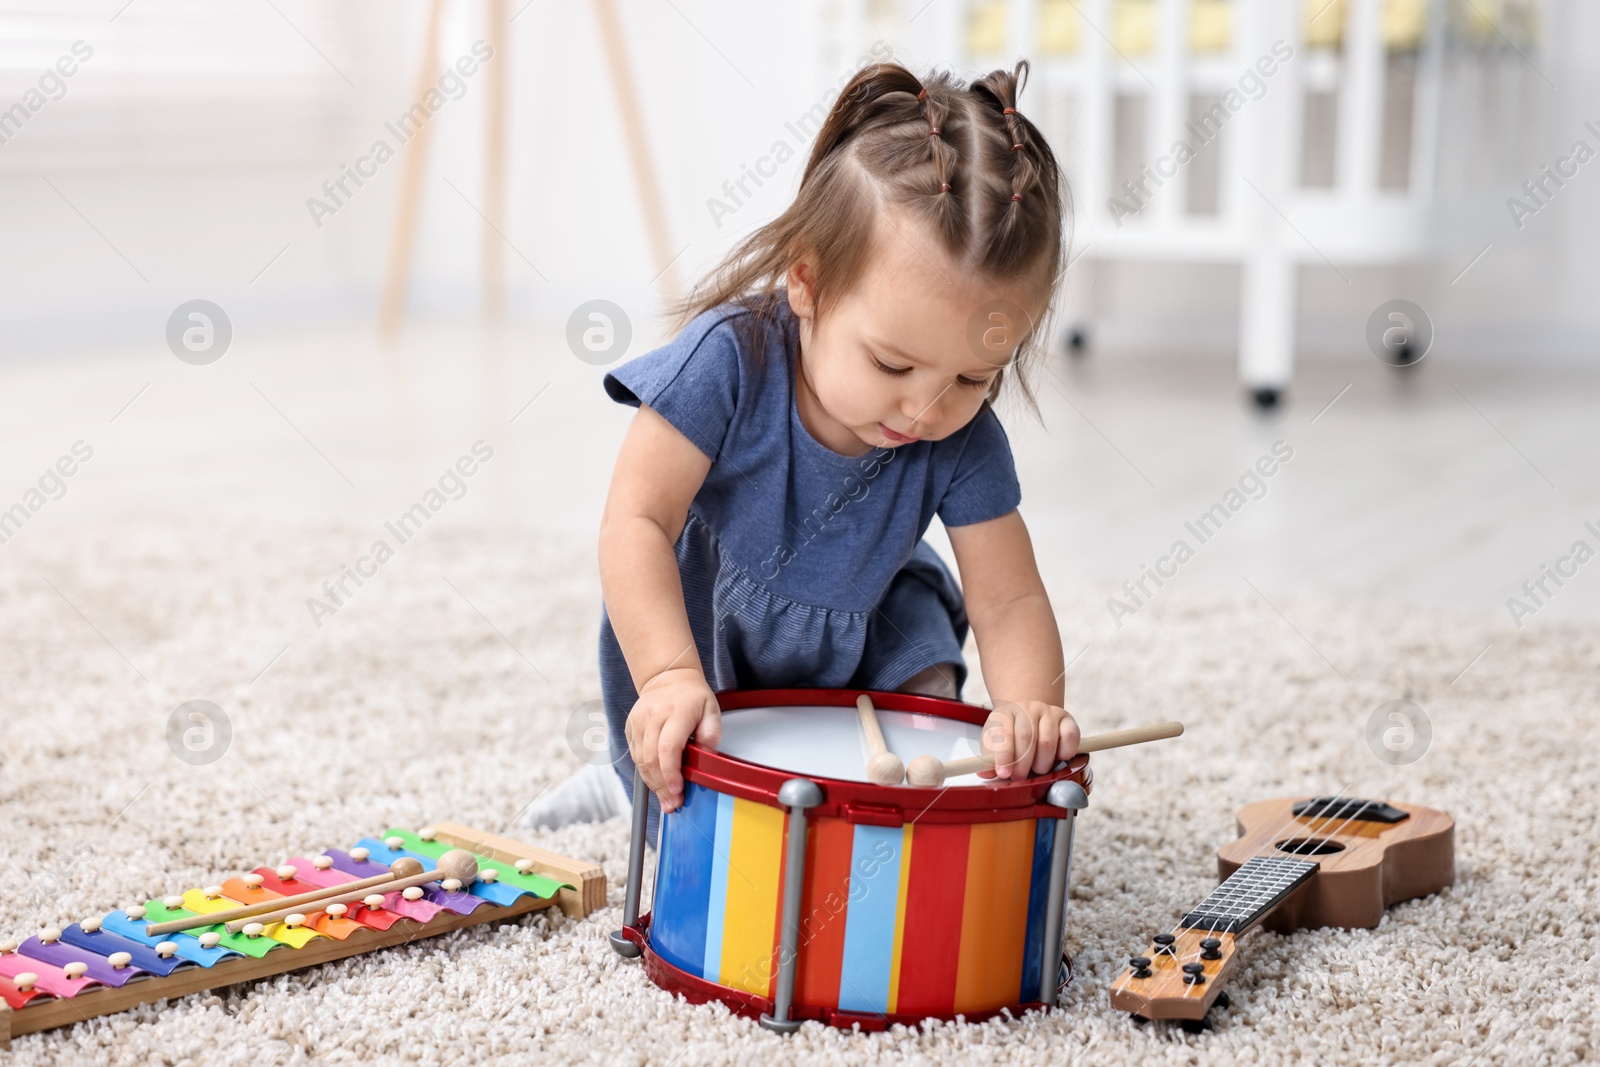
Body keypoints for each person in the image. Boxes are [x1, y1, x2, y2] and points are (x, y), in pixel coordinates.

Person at [525, 60, 1080, 840]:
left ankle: (880, 804)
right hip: (712, 625)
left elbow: (1009, 597)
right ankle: (620, 784)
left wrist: (1028, 707)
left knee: (926, 686)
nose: (925, 407)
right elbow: (636, 521)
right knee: (686, 752)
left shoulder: (965, 437)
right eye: (892, 364)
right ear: (807, 284)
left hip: (866, 623)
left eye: (973, 377)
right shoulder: (725, 361)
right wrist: (668, 674)